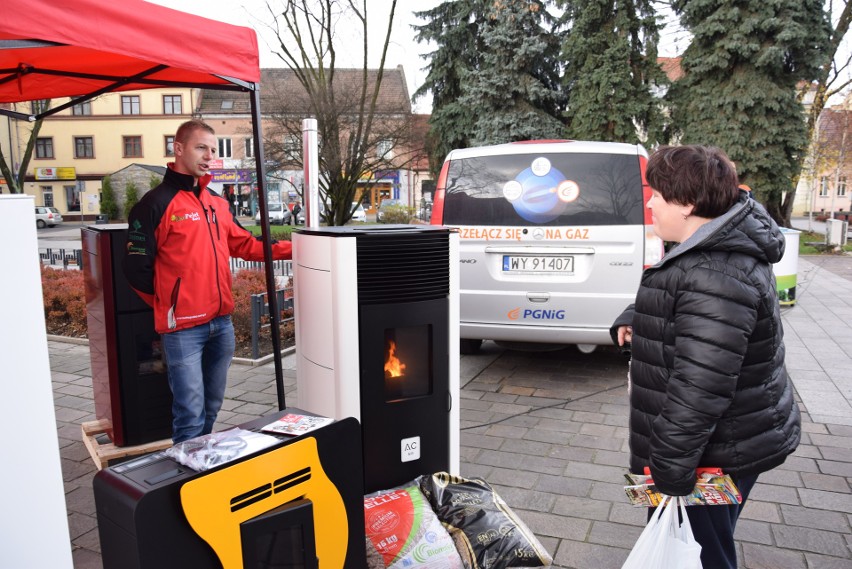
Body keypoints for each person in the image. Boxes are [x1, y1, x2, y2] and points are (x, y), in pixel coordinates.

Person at [611, 145, 800, 569]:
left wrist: (669, 472)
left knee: (701, 555)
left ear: (689, 203)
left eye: (658, 193)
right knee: (698, 546)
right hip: (724, 442)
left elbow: (701, 387)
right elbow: (684, 300)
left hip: (711, 455)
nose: (650, 201)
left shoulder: (714, 273)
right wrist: (637, 314)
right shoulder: (711, 247)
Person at [123, 119, 293, 443]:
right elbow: (135, 268)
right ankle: (184, 484)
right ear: (179, 148)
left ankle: (204, 468)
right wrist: (169, 306)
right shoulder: (155, 204)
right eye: (201, 147)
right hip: (183, 330)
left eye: (213, 150)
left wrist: (299, 246)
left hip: (221, 324)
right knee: (190, 413)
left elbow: (246, 244)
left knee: (212, 408)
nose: (209, 156)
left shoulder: (217, 202)